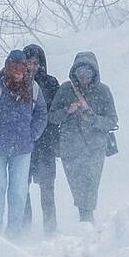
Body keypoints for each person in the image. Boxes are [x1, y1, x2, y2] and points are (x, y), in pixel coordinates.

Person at [0, 49, 47, 237]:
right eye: (14, 68)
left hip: (23, 149)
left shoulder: (34, 88)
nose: (18, 72)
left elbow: (41, 114)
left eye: (21, 68)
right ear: (8, 67)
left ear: (26, 69)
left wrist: (32, 134)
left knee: (18, 190)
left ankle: (14, 232)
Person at [49, 50, 117, 224]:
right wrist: (67, 111)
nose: (84, 77)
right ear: (74, 72)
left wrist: (93, 119)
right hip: (70, 146)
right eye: (80, 73)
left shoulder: (103, 91)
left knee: (91, 184)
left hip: (95, 147)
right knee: (77, 185)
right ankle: (85, 218)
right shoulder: (65, 89)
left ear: (95, 73)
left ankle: (87, 219)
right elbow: (52, 116)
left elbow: (112, 120)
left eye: (88, 72)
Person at [19, 44, 60, 233]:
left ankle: (50, 230)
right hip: (24, 145)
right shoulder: (16, 82)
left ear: (41, 64)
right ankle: (25, 227)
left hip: (46, 144)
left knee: (47, 189)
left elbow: (56, 111)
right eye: (29, 62)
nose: (33, 66)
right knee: (22, 188)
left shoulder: (51, 83)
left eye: (36, 63)